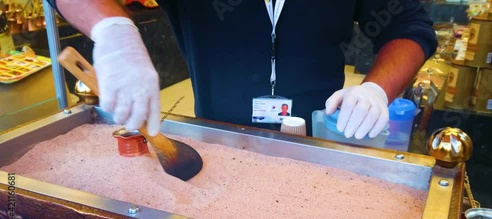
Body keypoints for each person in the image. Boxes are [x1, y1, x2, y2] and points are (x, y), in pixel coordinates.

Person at [48, 0, 437, 139]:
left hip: (320, 143)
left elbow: (408, 28)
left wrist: (376, 90)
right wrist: (114, 31)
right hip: (216, 141)